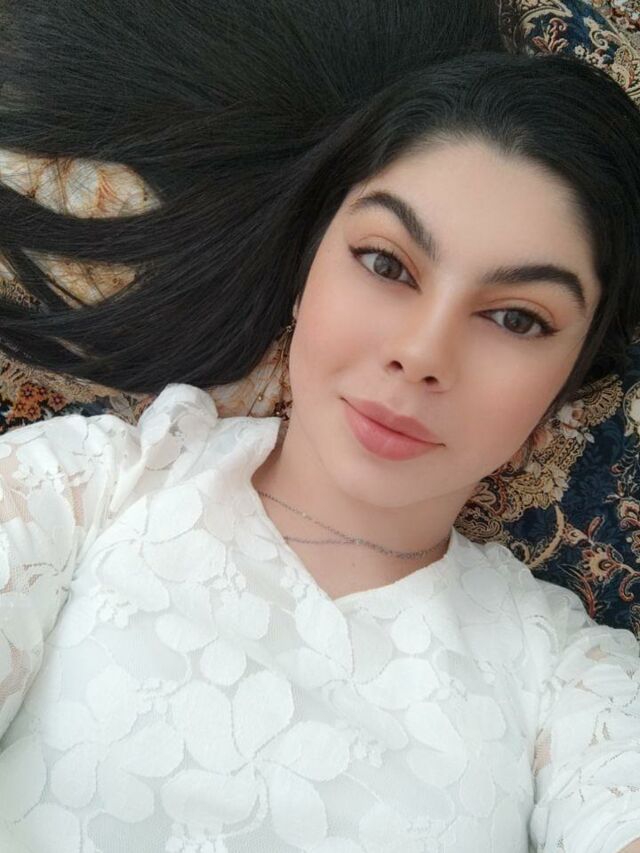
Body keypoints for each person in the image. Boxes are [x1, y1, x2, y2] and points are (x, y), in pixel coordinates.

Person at [0, 2, 639, 852]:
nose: (421, 352)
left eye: (517, 318)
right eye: (385, 263)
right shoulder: (78, 491)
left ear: (565, 390)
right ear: (306, 276)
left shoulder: (573, 684)